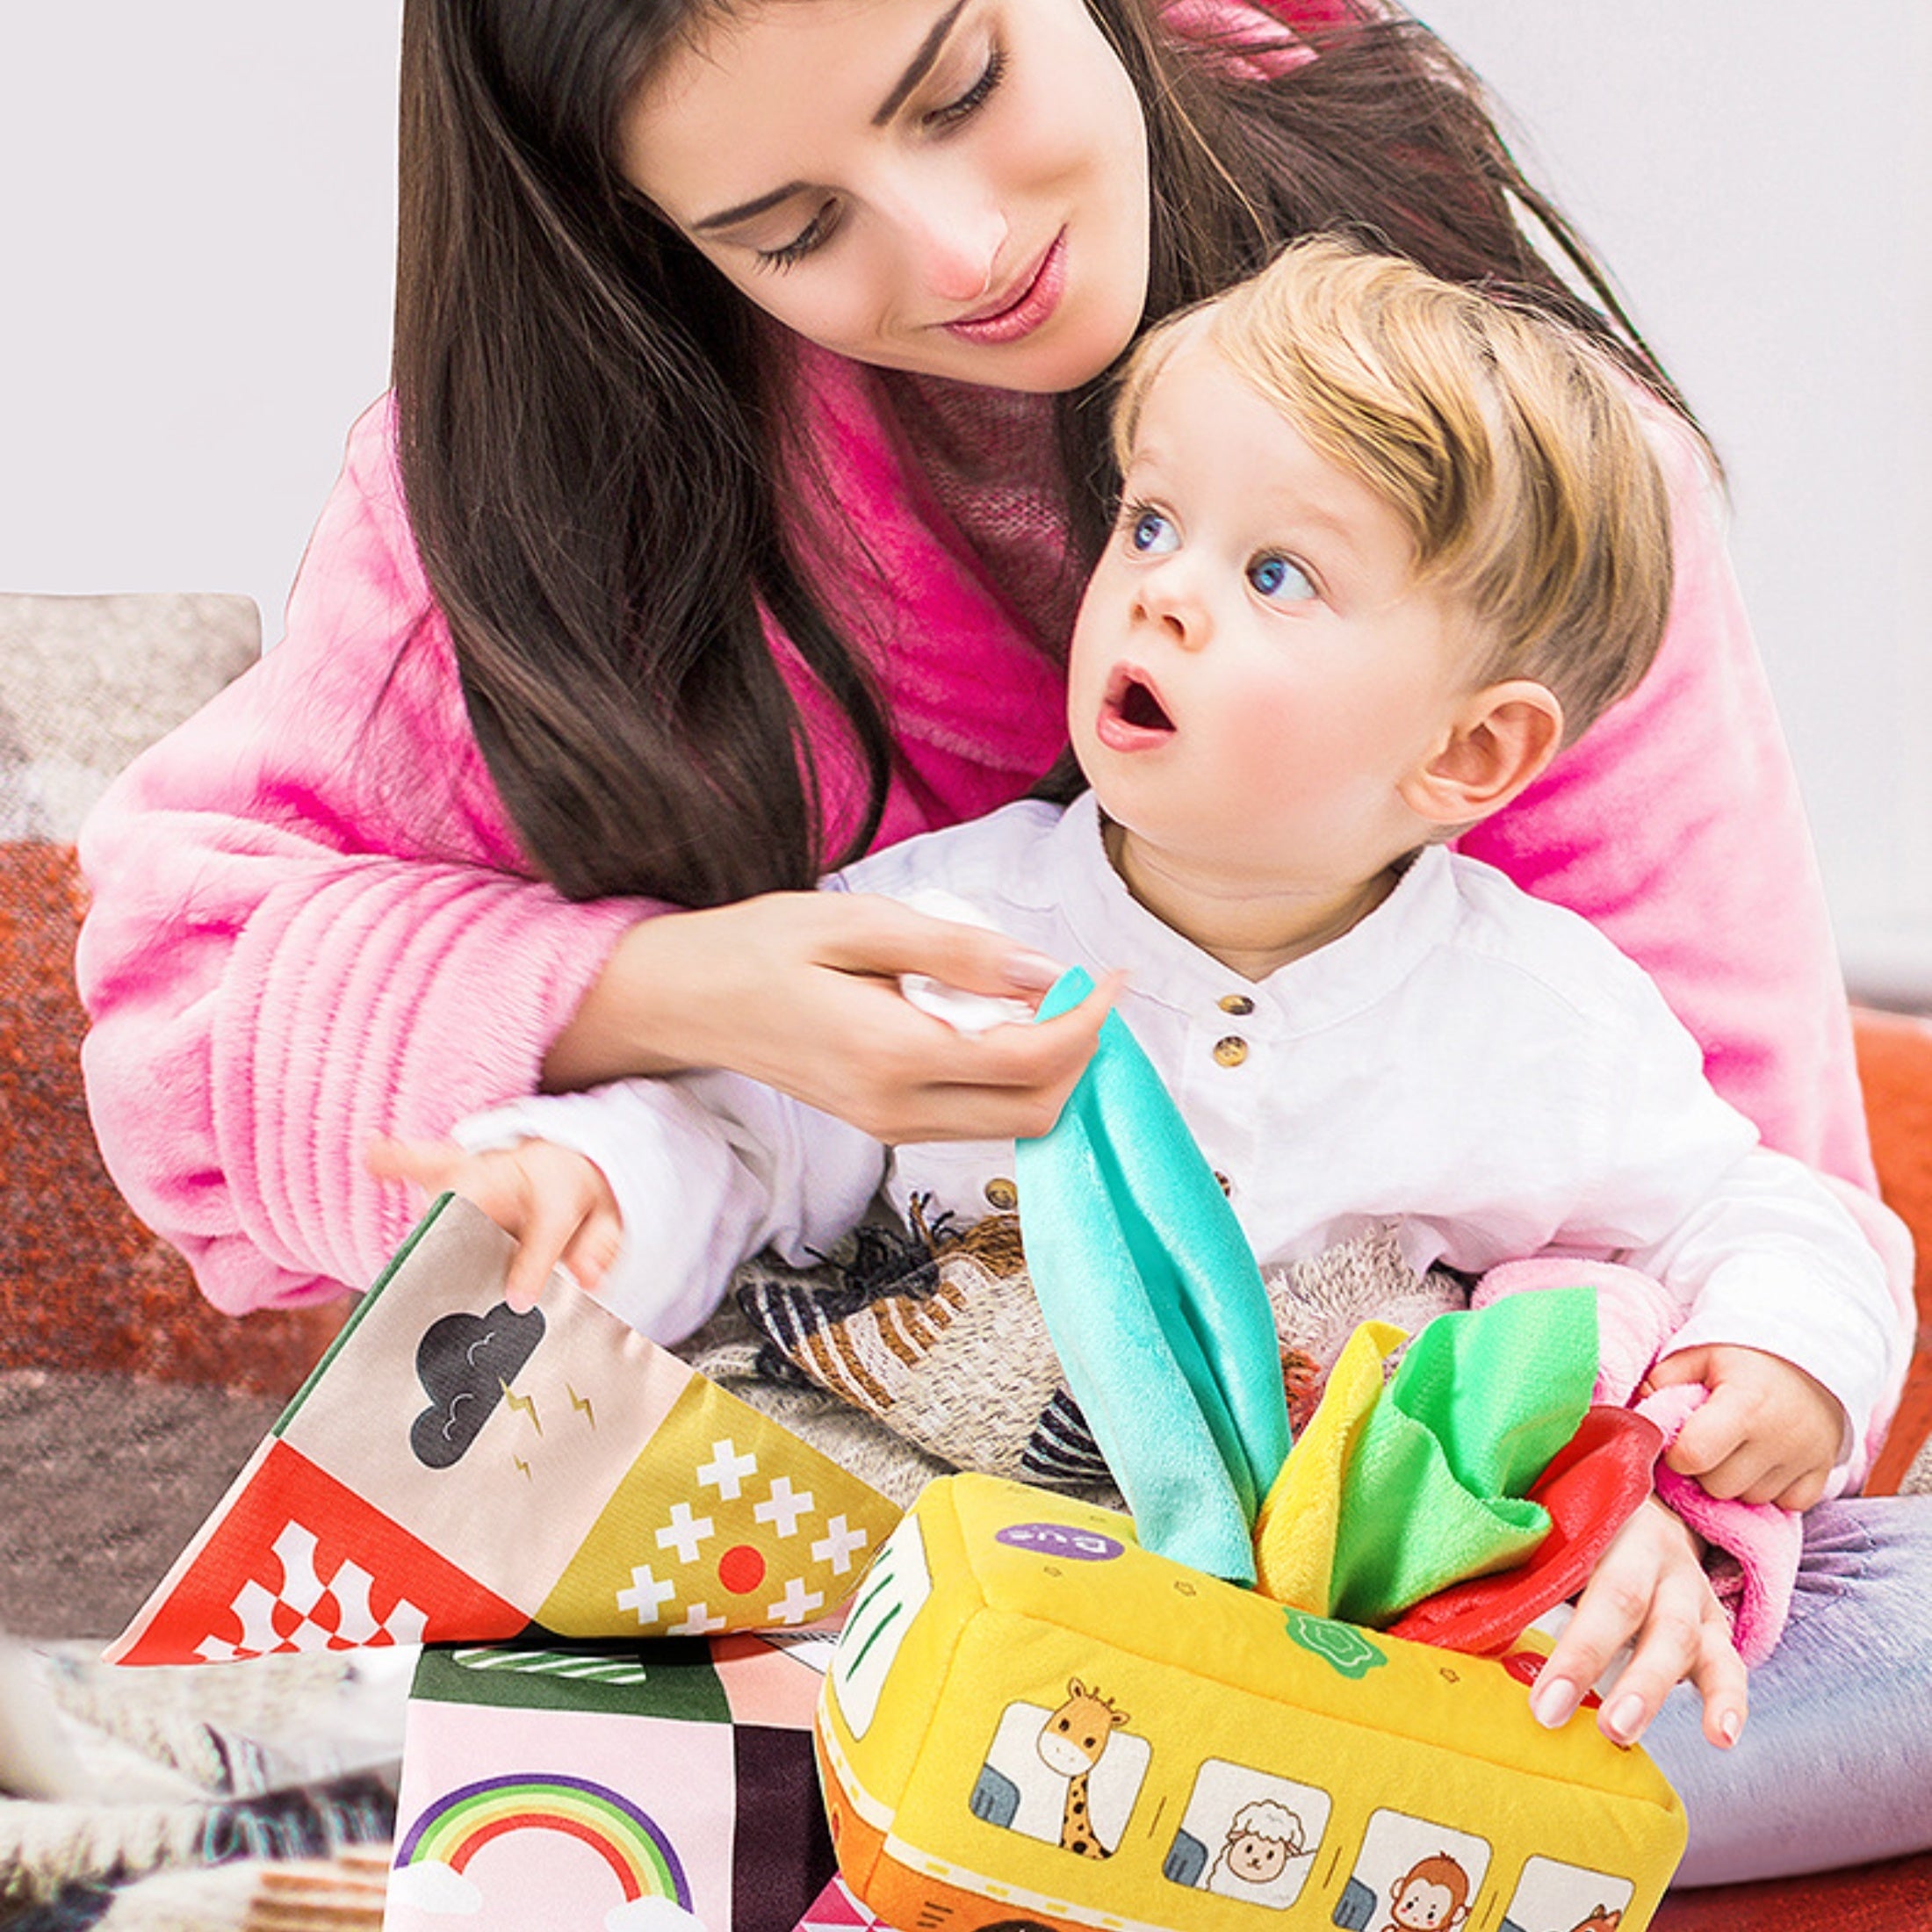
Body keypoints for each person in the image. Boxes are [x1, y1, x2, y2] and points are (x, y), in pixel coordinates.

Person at [71, 0, 1923, 1885]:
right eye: (790, 228)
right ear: (644, 229)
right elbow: (307, 1032)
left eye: (961, 83)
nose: (959, 252)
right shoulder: (928, 871)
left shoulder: (1512, 498)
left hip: (1385, 1626)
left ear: (1472, 749)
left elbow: (1751, 1213)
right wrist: (666, 1020)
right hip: (864, 1592)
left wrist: (1639, 1490)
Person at [367, 227, 1901, 1769]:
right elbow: (740, 1139)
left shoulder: (1536, 1017)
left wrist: (1790, 1359)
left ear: (1468, 756)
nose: (1161, 596)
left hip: (1312, 1637)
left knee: (1818, 1680)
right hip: (920, 1554)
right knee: (658, 1672)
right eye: (1154, 523)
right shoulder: (957, 926)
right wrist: (589, 1185)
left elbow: (1758, 1212)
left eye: (1276, 573)